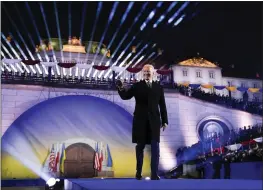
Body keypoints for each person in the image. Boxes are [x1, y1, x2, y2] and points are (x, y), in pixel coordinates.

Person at [116, 64, 168, 180]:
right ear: (142, 73)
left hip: (154, 122)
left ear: (153, 73)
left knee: (155, 148)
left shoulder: (159, 88)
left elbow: (162, 105)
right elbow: (126, 96)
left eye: (148, 72)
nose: (146, 74)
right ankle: (138, 173)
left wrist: (165, 121)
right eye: (144, 72)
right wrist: (120, 88)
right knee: (140, 147)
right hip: (140, 121)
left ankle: (154, 174)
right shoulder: (137, 86)